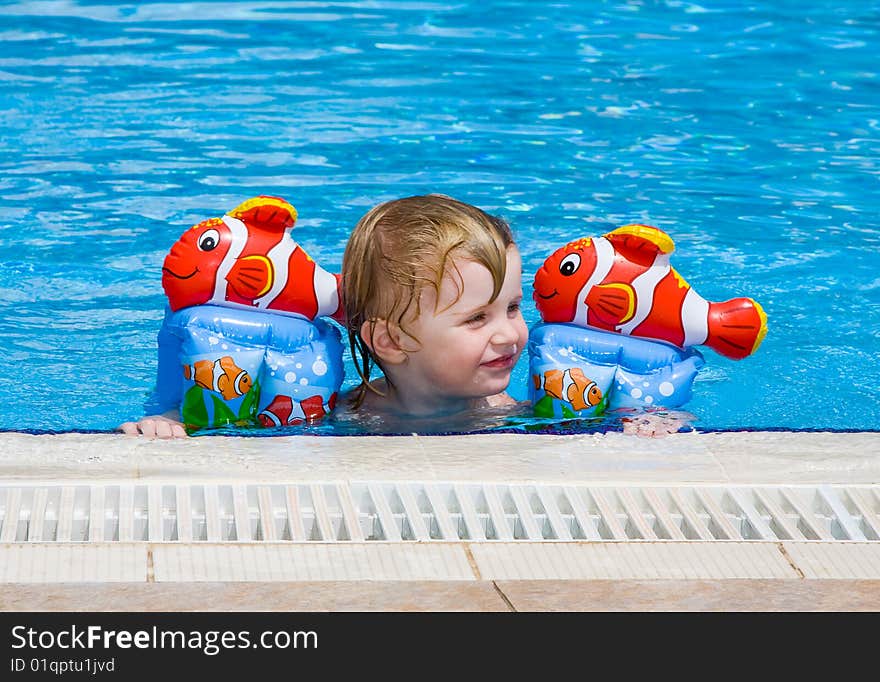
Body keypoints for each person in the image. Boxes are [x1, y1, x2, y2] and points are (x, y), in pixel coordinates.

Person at [336, 194, 528, 425]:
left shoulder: (503, 410)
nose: (510, 335)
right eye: (477, 318)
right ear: (392, 341)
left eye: (512, 307)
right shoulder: (349, 417)